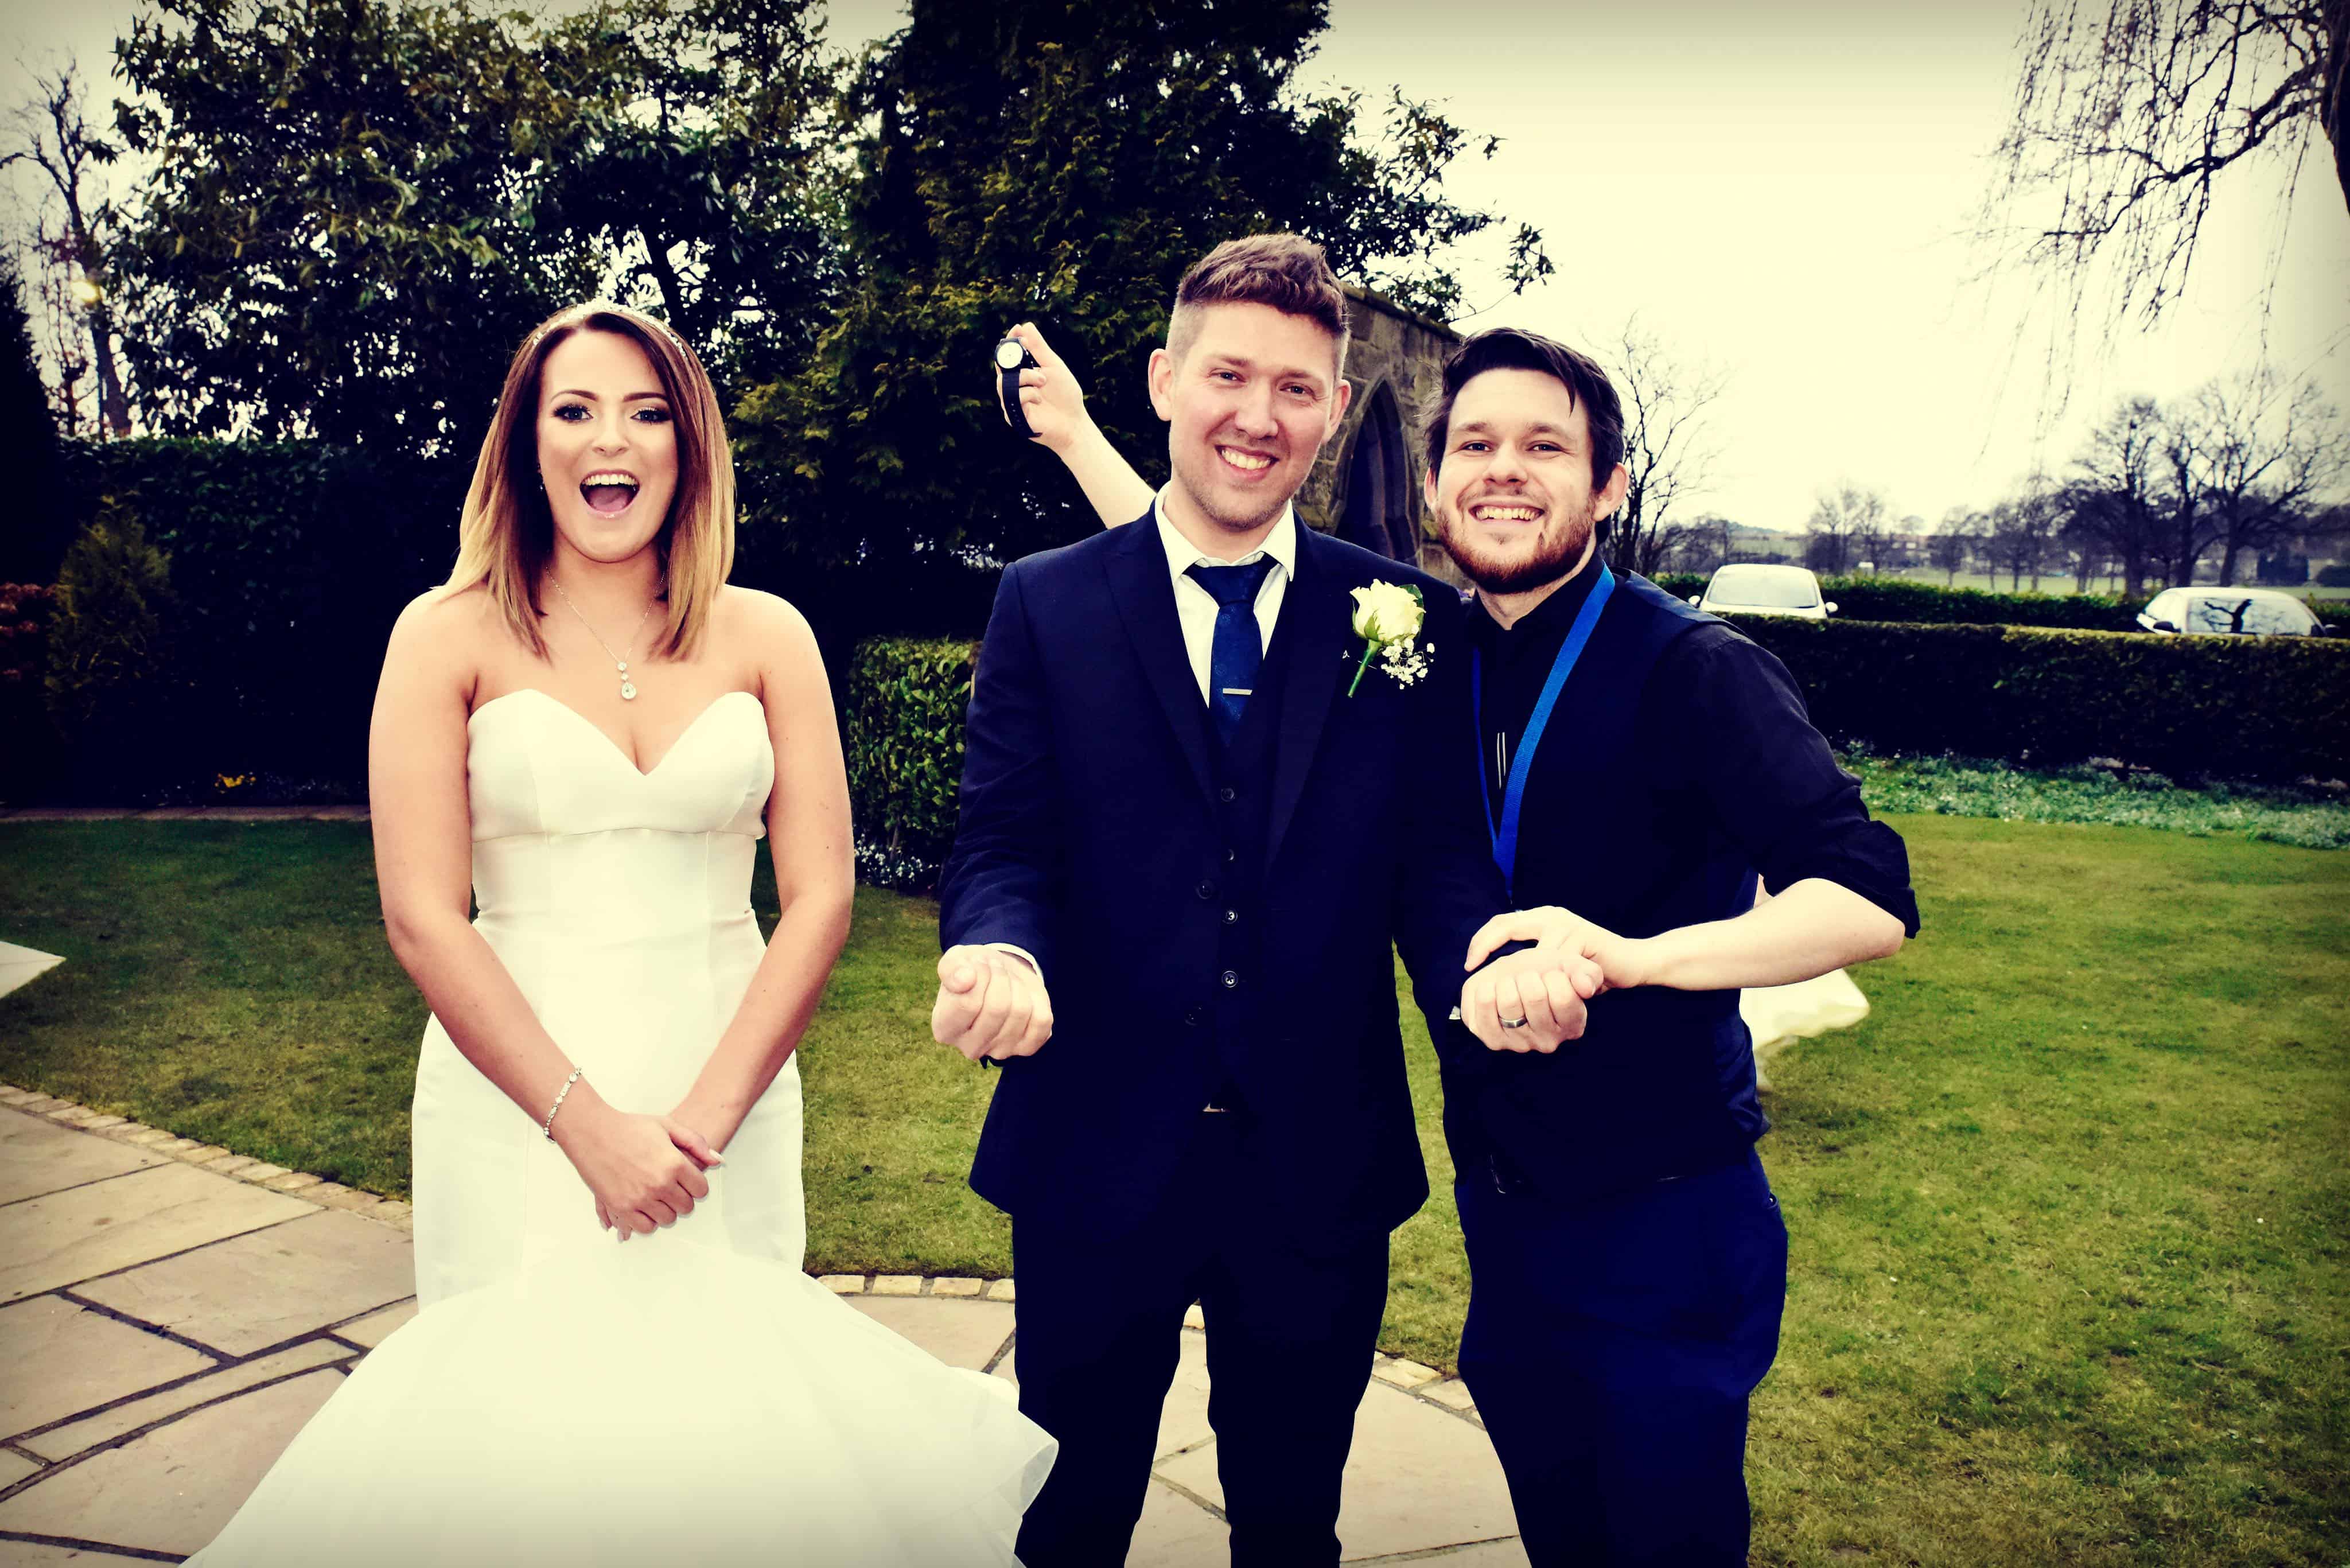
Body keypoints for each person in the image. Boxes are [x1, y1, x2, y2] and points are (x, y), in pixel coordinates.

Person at [1018, 318, 1920, 1565]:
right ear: (1433, 484)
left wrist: (1634, 954)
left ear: (1606, 485)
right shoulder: (1424, 644)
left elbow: (1868, 895)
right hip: (1508, 1209)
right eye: (1476, 443)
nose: (1504, 469)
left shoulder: (1693, 666)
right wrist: (1076, 438)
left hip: (1662, 1206)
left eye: (1545, 446)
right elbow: (1188, 577)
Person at [186, 301, 1053, 1566]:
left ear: (689, 447)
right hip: (517, 1099)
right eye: (576, 410)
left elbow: (819, 897)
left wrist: (696, 1124)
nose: (615, 441)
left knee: (735, 1443)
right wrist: (587, 1125)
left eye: (650, 414)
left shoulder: (769, 634)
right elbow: (423, 915)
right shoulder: (444, 634)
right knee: (524, 1458)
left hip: (730, 1082)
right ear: (524, 443)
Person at [933, 235, 1601, 1568]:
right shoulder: (1045, 605)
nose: (1258, 415)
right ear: (1164, 380)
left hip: (1317, 1158)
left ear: (1335, 409)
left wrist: (1481, 963)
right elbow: (1004, 834)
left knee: (1292, 1514)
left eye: (1297, 388)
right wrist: (997, 942)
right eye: (1228, 375)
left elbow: (1436, 863)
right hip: (1095, 1143)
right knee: (1066, 1510)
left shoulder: (1404, 616)